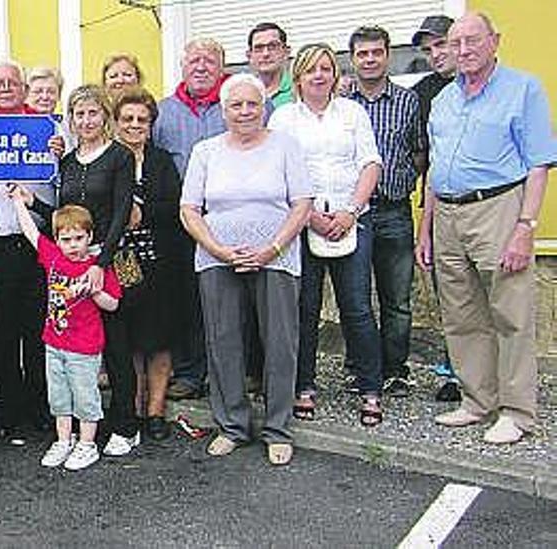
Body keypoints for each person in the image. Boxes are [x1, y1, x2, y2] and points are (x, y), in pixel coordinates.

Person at [421, 12, 557, 444]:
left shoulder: (523, 89)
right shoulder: (444, 100)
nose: (463, 51)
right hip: (446, 213)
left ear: (494, 41)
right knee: (461, 315)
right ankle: (477, 401)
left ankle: (517, 412)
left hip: (498, 208)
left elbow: (538, 164)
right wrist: (424, 229)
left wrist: (525, 226)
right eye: (455, 43)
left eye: (472, 41)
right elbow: (436, 169)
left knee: (511, 314)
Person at [179, 73, 313, 466]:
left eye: (251, 103)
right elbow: (189, 209)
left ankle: (277, 429)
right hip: (217, 258)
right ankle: (232, 426)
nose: (244, 111)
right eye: (235, 105)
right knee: (223, 342)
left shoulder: (285, 146)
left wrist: (273, 248)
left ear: (264, 107)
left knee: (280, 342)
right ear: (223, 111)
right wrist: (218, 249)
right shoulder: (206, 151)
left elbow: (302, 203)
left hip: (276, 255)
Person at [269, 44, 385, 427]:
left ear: (335, 75)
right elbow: (279, 172)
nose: (319, 76)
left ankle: (370, 387)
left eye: (326, 68)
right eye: (310, 70)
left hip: (352, 218)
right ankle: (304, 385)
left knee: (357, 308)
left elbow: (370, 163)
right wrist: (309, 217)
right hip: (303, 224)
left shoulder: (353, 113)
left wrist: (350, 211)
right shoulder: (283, 118)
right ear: (297, 78)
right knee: (305, 309)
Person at [23, 84, 136, 457]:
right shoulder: (68, 161)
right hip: (73, 264)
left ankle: (125, 425)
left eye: (92, 113)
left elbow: (121, 214)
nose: (86, 120)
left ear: (105, 115)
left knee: (117, 345)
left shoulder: (120, 156)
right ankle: (79, 429)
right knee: (76, 344)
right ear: (70, 120)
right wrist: (31, 204)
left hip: (107, 259)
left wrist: (101, 266)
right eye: (79, 114)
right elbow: (63, 218)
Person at [10, 197, 121, 470]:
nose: (72, 245)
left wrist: (93, 290)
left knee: (85, 397)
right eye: (66, 239)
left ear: (89, 237)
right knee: (58, 397)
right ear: (57, 240)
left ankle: (87, 443)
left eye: (78, 238)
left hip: (84, 347)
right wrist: (17, 202)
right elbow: (31, 232)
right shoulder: (53, 258)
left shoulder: (97, 267)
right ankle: (64, 439)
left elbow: (114, 303)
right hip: (54, 342)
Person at [0, 60, 55, 445]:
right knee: (3, 333)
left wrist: (58, 148)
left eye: (13, 83)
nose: (6, 88)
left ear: (24, 89)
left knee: (38, 331)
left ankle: (41, 408)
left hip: (37, 244)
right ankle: (6, 412)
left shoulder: (46, 129)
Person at [347, 26, 427, 398]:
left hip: (394, 211)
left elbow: (418, 151)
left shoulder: (408, 101)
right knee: (356, 298)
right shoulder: (343, 104)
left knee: (397, 299)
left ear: (387, 55)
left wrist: (406, 178)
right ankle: (359, 367)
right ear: (353, 59)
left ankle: (395, 370)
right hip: (355, 214)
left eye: (376, 52)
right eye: (362, 54)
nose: (369, 59)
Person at [151, 38, 229, 401]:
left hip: (227, 222)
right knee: (185, 301)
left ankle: (230, 373)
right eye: (194, 60)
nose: (201, 66)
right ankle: (189, 372)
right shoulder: (163, 113)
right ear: (182, 66)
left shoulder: (234, 105)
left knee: (229, 302)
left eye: (209, 61)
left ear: (222, 65)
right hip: (178, 225)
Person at [112, 86, 191, 442]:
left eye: (142, 120)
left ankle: (155, 411)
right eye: (127, 118)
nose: (134, 125)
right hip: (121, 259)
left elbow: (176, 205)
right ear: (115, 122)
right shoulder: (107, 158)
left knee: (158, 337)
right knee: (130, 338)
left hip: (158, 260)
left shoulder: (160, 161)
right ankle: (135, 404)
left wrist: (143, 213)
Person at [411, 14, 461, 402]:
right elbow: (426, 160)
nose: (435, 55)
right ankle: (458, 374)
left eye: (441, 45)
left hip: (490, 208)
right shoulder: (425, 92)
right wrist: (424, 227)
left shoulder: (501, 87)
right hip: (440, 204)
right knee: (453, 297)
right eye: (428, 50)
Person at [247, 23, 294, 108]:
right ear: (249, 56)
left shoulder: (300, 89)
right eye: (259, 48)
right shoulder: (243, 93)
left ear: (286, 52)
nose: (266, 54)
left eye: (272, 46)